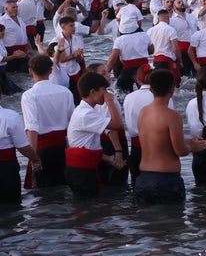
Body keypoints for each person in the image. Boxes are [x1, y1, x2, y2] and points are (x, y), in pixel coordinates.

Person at [134, 68, 206, 205]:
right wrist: (193, 146)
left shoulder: (143, 112)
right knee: (173, 223)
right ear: (172, 90)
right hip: (166, 180)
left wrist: (189, 141)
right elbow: (180, 150)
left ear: (151, 90)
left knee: (147, 223)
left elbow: (159, 141)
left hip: (143, 178)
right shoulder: (172, 116)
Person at [65, 71, 122, 200]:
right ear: (93, 92)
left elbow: (86, 145)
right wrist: (110, 102)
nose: (106, 94)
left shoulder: (85, 110)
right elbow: (118, 125)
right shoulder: (86, 114)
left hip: (82, 167)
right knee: (87, 207)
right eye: (104, 90)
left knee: (91, 209)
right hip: (81, 171)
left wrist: (109, 158)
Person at [21, 54, 74, 188]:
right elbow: (72, 124)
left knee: (43, 193)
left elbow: (32, 129)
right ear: (51, 71)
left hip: (42, 149)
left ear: (30, 71)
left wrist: (34, 159)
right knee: (64, 187)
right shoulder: (65, 92)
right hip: (63, 148)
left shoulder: (29, 95)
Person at [0, 100, 42, 204]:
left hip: (6, 168)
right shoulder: (10, 116)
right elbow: (22, 146)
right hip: (5, 170)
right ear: (1, 96)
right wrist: (35, 159)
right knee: (11, 208)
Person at [122, 65, 157, 184]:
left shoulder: (129, 97)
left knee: (137, 183)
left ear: (138, 79)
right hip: (158, 146)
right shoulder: (160, 96)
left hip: (137, 148)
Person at [104, 19, 153, 94]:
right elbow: (151, 50)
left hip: (128, 70)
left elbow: (113, 58)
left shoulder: (120, 39)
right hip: (144, 69)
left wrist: (105, 73)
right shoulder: (144, 35)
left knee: (121, 92)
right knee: (149, 91)